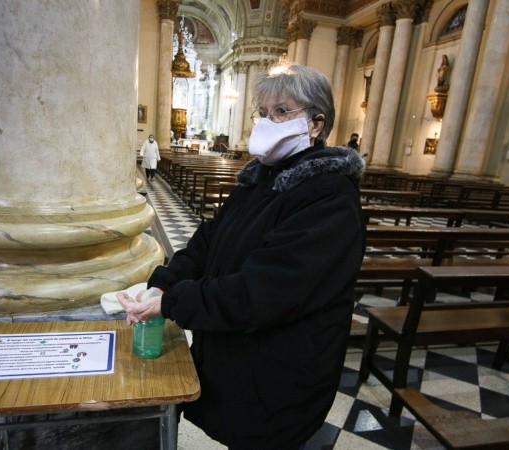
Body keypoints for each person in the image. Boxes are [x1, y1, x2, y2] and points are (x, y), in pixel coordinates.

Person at [118, 63, 366, 449]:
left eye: (282, 111)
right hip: (240, 356)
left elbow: (262, 292)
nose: (267, 121)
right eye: (262, 112)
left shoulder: (328, 197)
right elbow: (208, 240)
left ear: (316, 125)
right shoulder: (260, 178)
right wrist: (163, 281)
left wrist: (174, 302)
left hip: (282, 369)